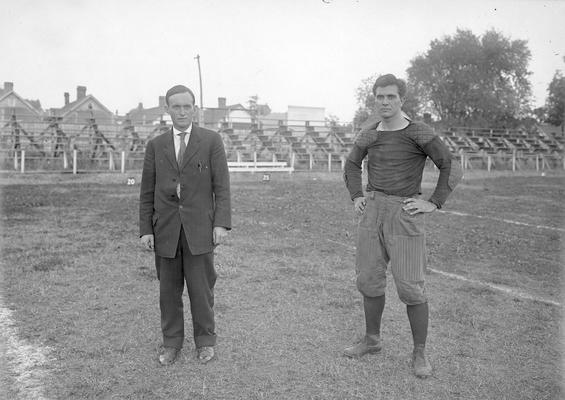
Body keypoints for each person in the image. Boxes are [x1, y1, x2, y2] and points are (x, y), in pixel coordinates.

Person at [342, 74, 462, 378]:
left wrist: (433, 202)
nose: (384, 102)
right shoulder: (369, 132)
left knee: (410, 286)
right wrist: (357, 195)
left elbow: (451, 164)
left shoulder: (418, 132)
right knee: (368, 279)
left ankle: (419, 353)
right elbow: (351, 164)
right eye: (379, 97)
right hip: (373, 211)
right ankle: (372, 340)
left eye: (390, 97)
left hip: (404, 213)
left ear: (402, 100)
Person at [139, 84, 231, 365]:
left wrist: (221, 224)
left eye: (186, 106)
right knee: (168, 291)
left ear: (195, 109)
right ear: (167, 109)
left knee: (201, 290)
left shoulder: (211, 140)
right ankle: (171, 343)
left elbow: (222, 187)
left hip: (200, 229)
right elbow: (146, 190)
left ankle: (205, 342)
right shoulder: (156, 145)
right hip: (165, 229)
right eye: (175, 106)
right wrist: (145, 229)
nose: (181, 111)